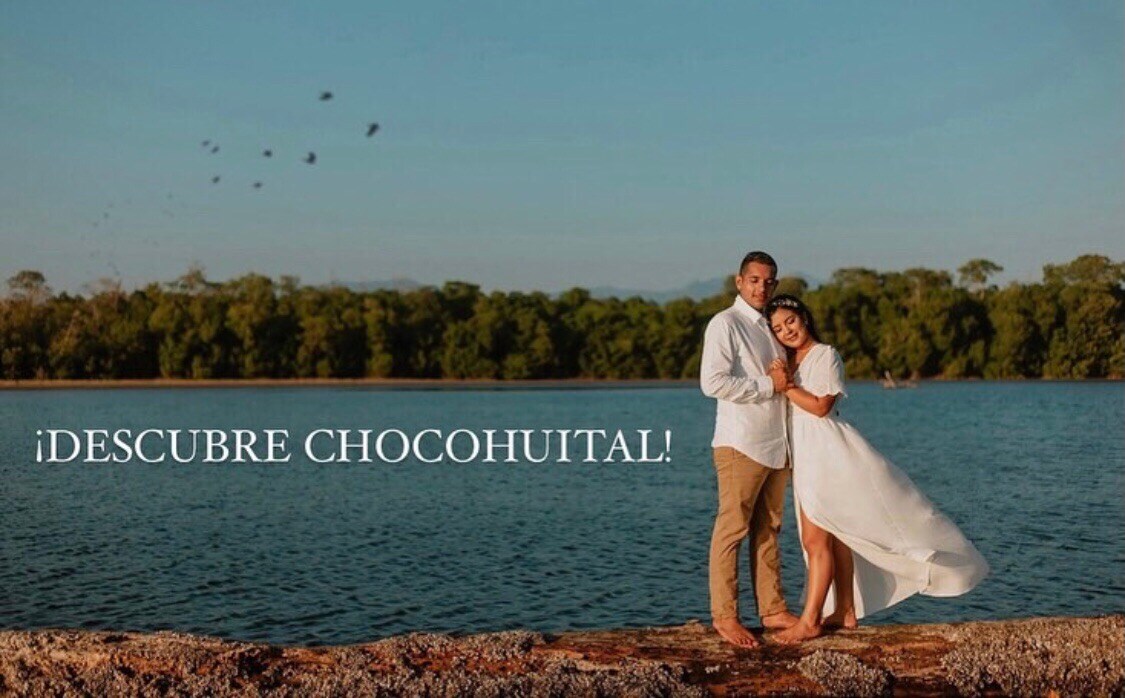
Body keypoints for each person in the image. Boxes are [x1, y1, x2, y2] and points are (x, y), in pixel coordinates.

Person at [763, 294, 989, 644]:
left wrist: (787, 386)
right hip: (808, 457)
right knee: (837, 535)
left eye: (789, 321)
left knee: (814, 540)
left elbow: (822, 407)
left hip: (829, 454)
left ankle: (810, 620)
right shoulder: (789, 361)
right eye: (777, 328)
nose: (786, 331)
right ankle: (846, 611)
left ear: (804, 317)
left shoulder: (826, 354)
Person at [700, 251, 801, 648]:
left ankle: (772, 609)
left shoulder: (770, 327)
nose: (762, 287)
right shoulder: (725, 324)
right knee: (732, 529)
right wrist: (767, 386)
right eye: (755, 280)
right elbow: (713, 383)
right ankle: (725, 616)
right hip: (740, 444)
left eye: (769, 281)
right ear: (739, 282)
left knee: (769, 530)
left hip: (776, 445)